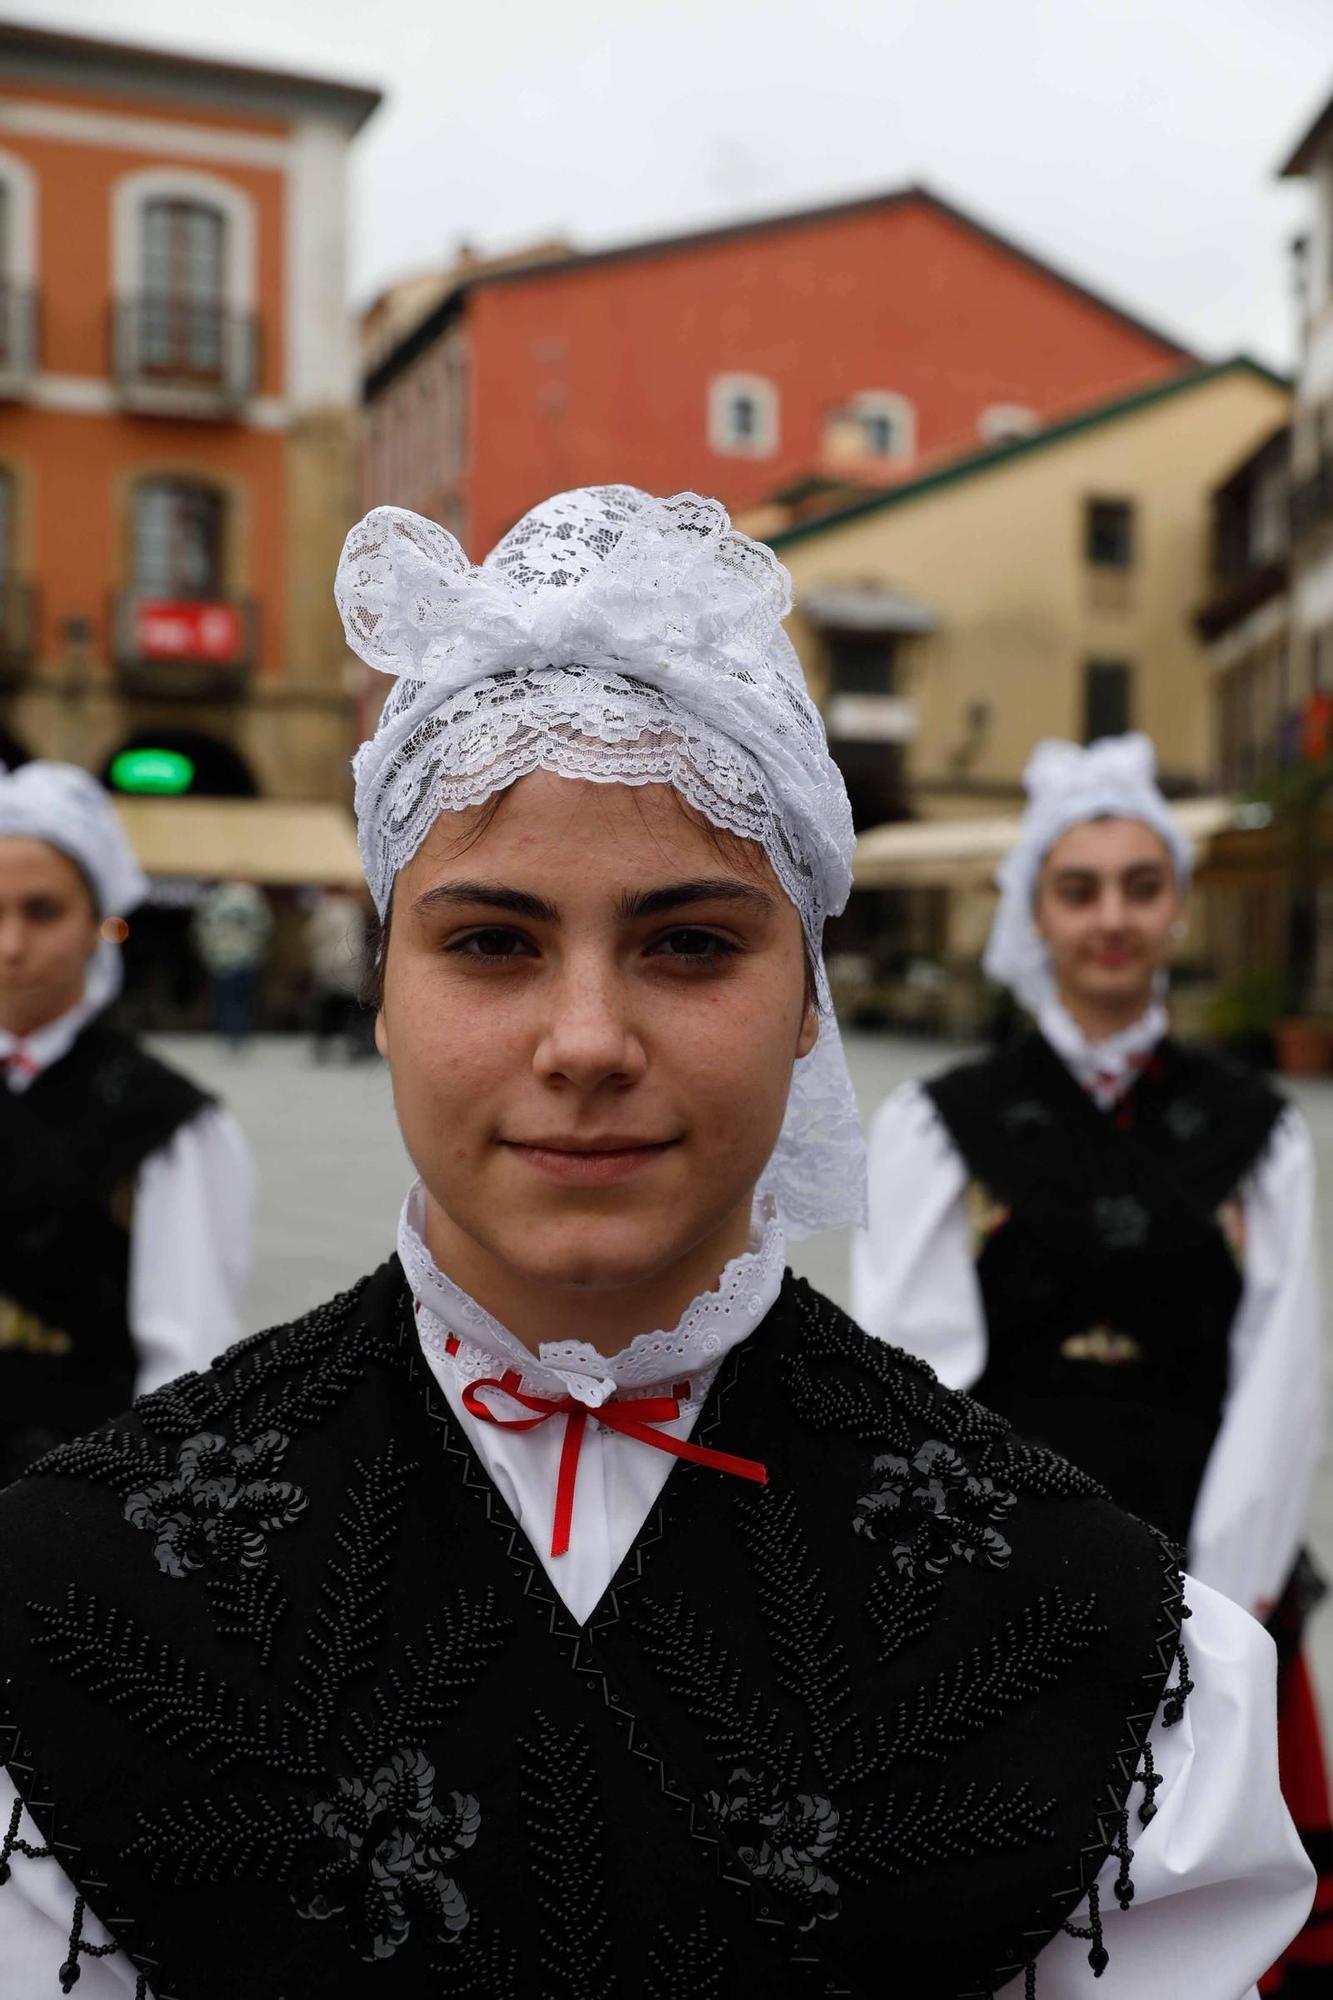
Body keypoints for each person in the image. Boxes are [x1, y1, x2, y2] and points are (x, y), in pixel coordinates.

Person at [0, 499, 1313, 1999]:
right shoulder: (72, 1591)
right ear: (379, 993)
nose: (586, 1043)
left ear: (810, 1002)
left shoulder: (1098, 1638)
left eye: (689, 942)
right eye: (491, 941)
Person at [853, 732, 1330, 1995]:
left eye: (1137, 884)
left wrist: (1218, 1612)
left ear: (1175, 903)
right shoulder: (944, 1121)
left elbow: (1282, 1378)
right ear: (1034, 911)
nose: (1110, 916)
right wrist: (985, 1597)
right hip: (1014, 1583)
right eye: (1078, 887)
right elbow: (919, 1386)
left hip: (1219, 1575)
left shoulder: (1257, 1131)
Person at [0, 761, 256, 1487]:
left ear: (96, 924)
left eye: (41, 911)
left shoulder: (166, 1125)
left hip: (66, 1502)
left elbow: (184, 1363)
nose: (11, 944)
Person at [190, 877, 272, 1051]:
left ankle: (229, 1034)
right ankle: (240, 1034)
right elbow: (265, 927)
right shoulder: (254, 899)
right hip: (248, 958)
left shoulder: (215, 899)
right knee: (243, 999)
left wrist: (209, 952)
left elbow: (203, 928)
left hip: (222, 958)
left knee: (225, 1000)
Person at [305, 886, 373, 1060]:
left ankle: (324, 1043)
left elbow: (314, 935)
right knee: (351, 1004)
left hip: (329, 962)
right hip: (351, 960)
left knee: (327, 1004)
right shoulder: (353, 908)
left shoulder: (325, 909)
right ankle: (354, 1042)